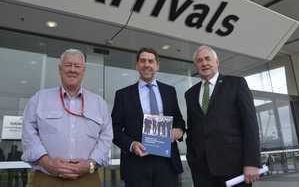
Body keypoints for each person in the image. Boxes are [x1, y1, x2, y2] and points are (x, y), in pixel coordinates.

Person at [21, 49, 113, 187]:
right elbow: (28, 133)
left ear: (83, 70)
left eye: (77, 66)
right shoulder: (39, 99)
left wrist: (90, 164)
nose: (73, 70)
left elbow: (106, 137)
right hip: (46, 178)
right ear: (60, 68)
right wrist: (47, 163)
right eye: (68, 65)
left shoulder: (99, 103)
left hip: (88, 179)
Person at [185, 45, 261, 187]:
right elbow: (193, 128)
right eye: (199, 60)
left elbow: (250, 124)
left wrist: (251, 162)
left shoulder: (236, 84)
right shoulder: (190, 94)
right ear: (196, 65)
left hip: (234, 168)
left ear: (217, 62)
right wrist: (192, 158)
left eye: (208, 59)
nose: (204, 63)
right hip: (202, 170)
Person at [111, 47, 185, 187]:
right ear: (137, 65)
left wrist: (178, 131)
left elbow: (179, 120)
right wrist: (131, 145)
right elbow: (113, 129)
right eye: (143, 61)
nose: (147, 64)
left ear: (157, 65)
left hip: (167, 164)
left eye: (151, 61)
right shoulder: (123, 95)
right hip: (136, 165)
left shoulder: (169, 91)